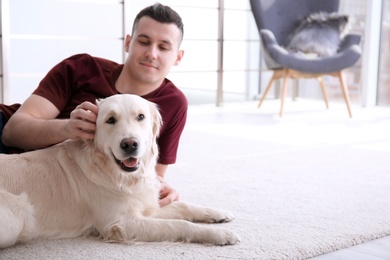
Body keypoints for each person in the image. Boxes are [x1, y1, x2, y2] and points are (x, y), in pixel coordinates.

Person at [0, 3, 187, 207]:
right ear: (128, 43)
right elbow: (11, 131)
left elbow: (148, 172)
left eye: (163, 47)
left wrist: (163, 187)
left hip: (39, 188)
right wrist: (67, 128)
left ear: (178, 57)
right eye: (143, 42)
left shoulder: (173, 103)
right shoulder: (81, 68)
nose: (152, 53)